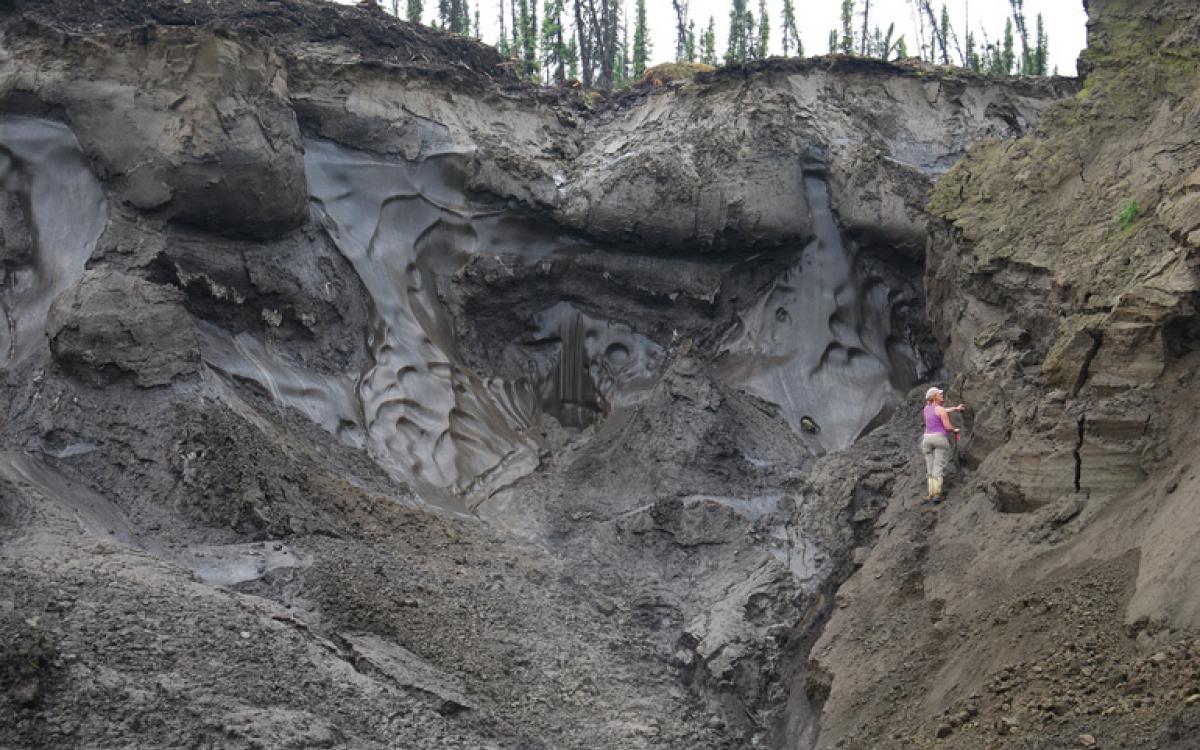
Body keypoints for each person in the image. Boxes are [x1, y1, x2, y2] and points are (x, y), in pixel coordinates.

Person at [921, 387, 965, 502]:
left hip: (926, 440)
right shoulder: (940, 409)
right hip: (939, 439)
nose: (942, 395)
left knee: (929, 466)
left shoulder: (926, 409)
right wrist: (955, 430)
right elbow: (947, 426)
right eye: (940, 394)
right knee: (938, 465)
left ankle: (930, 493)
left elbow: (943, 410)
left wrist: (955, 408)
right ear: (935, 396)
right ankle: (937, 494)